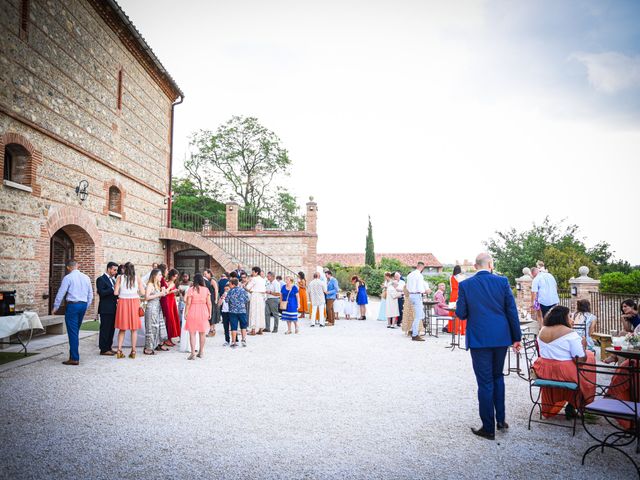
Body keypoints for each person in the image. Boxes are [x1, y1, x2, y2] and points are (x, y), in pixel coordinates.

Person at [455, 253, 521, 440]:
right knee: (498, 377)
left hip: (479, 338)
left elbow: (461, 313)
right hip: (501, 337)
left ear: (476, 266)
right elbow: (511, 311)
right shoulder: (502, 282)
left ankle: (488, 427)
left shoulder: (466, 285)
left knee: (485, 382)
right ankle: (500, 420)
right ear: (490, 264)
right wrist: (516, 337)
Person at [532, 306, 595, 419]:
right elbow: (579, 359)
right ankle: (577, 403)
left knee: (586, 359)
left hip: (543, 372)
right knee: (589, 357)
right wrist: (584, 346)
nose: (572, 320)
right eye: (570, 316)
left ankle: (567, 403)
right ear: (563, 318)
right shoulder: (570, 333)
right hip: (562, 373)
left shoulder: (542, 330)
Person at [53, 259, 93, 365]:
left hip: (73, 306)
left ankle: (74, 358)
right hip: (83, 305)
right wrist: (86, 305)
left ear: (68, 268)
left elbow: (61, 292)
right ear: (77, 266)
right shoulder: (86, 277)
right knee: (75, 331)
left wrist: (56, 306)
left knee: (73, 332)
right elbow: (91, 295)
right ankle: (72, 355)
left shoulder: (68, 277)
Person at [114, 262, 145, 359]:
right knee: (134, 329)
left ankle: (119, 350)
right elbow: (143, 292)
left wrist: (122, 291)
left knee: (122, 328)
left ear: (124, 269)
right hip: (134, 302)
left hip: (123, 302)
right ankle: (133, 351)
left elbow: (115, 292)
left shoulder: (120, 277)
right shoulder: (137, 278)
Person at [183, 273, 212, 360]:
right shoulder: (206, 290)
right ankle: (201, 352)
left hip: (193, 310)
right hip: (203, 311)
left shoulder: (191, 289)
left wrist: (186, 313)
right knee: (202, 333)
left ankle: (193, 354)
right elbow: (209, 303)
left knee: (192, 333)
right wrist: (210, 313)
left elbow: (188, 303)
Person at [143, 269, 169, 355]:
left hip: (157, 308)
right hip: (151, 308)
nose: (161, 277)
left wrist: (163, 292)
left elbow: (158, 297)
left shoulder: (157, 284)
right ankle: (148, 349)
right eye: (160, 275)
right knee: (151, 328)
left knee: (156, 328)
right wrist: (160, 294)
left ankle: (153, 346)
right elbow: (147, 297)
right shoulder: (150, 284)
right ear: (155, 276)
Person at [96, 261, 119, 356]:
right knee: (105, 329)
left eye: (116, 270)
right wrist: (113, 289)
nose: (115, 272)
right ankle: (103, 349)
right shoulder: (101, 279)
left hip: (114, 308)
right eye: (114, 270)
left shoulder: (113, 280)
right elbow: (101, 292)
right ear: (109, 269)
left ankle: (109, 347)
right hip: (105, 308)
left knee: (111, 329)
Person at [406, 262, 431, 341]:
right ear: (422, 267)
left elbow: (407, 286)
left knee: (421, 314)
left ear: (416, 266)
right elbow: (420, 288)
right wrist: (426, 291)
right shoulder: (419, 275)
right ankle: (415, 334)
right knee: (418, 316)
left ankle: (412, 330)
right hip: (417, 295)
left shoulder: (410, 275)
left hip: (411, 295)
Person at [159, 266, 180, 346]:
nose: (175, 278)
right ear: (171, 275)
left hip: (171, 302)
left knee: (171, 319)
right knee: (169, 320)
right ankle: (167, 338)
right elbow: (165, 292)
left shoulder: (169, 282)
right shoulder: (167, 282)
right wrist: (172, 291)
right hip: (167, 301)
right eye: (175, 276)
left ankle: (169, 338)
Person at [226, 277, 249, 348]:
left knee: (233, 326)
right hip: (242, 310)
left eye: (230, 284)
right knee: (243, 326)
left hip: (232, 311)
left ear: (233, 284)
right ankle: (243, 340)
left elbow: (227, 300)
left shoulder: (230, 291)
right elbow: (247, 299)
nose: (229, 285)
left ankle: (233, 342)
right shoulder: (243, 290)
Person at [246, 266, 267, 335]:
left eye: (253, 272)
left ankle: (253, 330)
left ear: (256, 272)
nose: (252, 273)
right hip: (261, 296)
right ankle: (261, 329)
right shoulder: (263, 279)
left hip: (255, 296)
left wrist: (249, 288)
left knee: (253, 312)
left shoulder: (254, 279)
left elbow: (247, 287)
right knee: (260, 313)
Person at [447, 265, 464, 334]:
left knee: (452, 312)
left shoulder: (450, 277)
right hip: (459, 294)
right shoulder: (462, 277)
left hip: (453, 295)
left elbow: (451, 288)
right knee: (460, 311)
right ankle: (461, 330)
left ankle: (452, 329)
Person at [203, 269, 219, 337]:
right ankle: (212, 330)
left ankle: (212, 330)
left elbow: (216, 290)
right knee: (212, 313)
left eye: (205, 274)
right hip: (210, 297)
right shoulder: (208, 280)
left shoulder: (212, 280)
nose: (204, 275)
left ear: (209, 273)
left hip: (212, 298)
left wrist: (215, 299)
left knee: (212, 313)